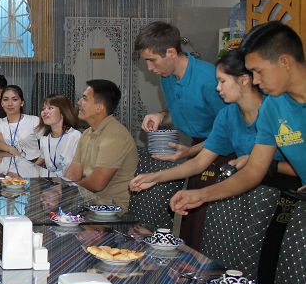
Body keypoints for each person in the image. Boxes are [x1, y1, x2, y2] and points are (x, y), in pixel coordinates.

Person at [171, 22, 306, 215]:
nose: (255, 80)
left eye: (259, 71)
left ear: (284, 62)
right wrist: (202, 195)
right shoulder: (272, 107)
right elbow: (253, 170)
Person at [131, 49, 296, 194]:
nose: (217, 88)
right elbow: (198, 163)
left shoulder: (279, 111)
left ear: (244, 80)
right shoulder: (228, 115)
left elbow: (299, 165)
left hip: (289, 192)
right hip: (251, 191)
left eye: (222, 81)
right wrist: (155, 177)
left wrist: (261, 163)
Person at [135, 22, 227, 160]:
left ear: (171, 53)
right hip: (197, 146)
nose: (149, 67)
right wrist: (160, 117)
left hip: (224, 149)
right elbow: (180, 114)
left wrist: (191, 151)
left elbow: (230, 129)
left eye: (152, 60)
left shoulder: (209, 79)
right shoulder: (167, 77)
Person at [65, 80, 138, 209]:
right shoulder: (87, 133)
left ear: (100, 107)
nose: (79, 102)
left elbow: (97, 184)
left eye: (85, 99)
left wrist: (68, 187)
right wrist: (63, 186)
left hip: (110, 207)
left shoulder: (115, 135)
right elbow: (73, 174)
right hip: (88, 200)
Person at [35, 94, 82, 178]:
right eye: (43, 109)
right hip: (52, 183)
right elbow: (41, 159)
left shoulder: (75, 136)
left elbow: (78, 172)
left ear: (63, 111)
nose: (44, 112)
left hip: (70, 184)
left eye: (50, 108)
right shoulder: (44, 139)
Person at [0, 85, 41, 161]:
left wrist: (35, 165)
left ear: (22, 103)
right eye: (5, 99)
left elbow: (46, 146)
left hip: (33, 162)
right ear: (1, 103)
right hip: (10, 164)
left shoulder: (34, 120)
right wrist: (11, 149)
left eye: (14, 99)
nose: (10, 104)